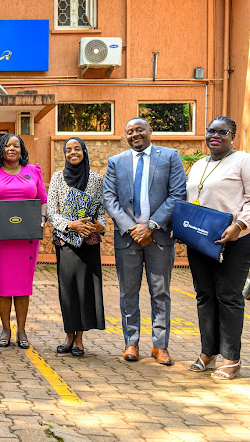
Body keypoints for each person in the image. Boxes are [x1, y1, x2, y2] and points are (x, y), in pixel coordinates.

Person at [103, 118, 186, 365]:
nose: (135, 135)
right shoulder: (116, 162)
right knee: (128, 292)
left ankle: (160, 346)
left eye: (139, 130)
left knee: (160, 292)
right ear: (125, 136)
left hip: (158, 238)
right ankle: (131, 342)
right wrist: (132, 228)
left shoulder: (170, 157)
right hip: (127, 239)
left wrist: (150, 226)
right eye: (129, 132)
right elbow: (109, 198)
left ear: (150, 131)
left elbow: (177, 194)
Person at [185, 116, 250, 380]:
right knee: (204, 296)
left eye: (222, 132)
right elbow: (191, 199)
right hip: (200, 240)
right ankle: (208, 352)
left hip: (234, 240)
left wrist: (240, 226)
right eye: (211, 130)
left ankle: (231, 358)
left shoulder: (243, 160)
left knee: (229, 296)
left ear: (232, 135)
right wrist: (184, 228)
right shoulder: (199, 164)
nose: (215, 136)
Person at [0, 134, 47, 349]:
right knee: (2, 285)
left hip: (26, 238)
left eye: (16, 145)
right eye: (7, 145)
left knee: (22, 285)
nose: (12, 149)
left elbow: (43, 201)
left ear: (21, 149)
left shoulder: (33, 171)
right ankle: (5, 329)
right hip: (0, 239)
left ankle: (22, 330)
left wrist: (42, 219)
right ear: (1, 149)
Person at [47, 137, 105, 356]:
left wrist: (98, 227)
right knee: (68, 290)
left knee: (85, 290)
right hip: (66, 243)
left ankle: (79, 339)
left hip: (88, 242)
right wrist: (71, 224)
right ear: (64, 154)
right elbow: (52, 211)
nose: (73, 152)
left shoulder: (97, 179)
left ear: (84, 151)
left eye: (77, 149)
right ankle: (68, 335)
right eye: (68, 149)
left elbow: (100, 211)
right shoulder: (57, 178)